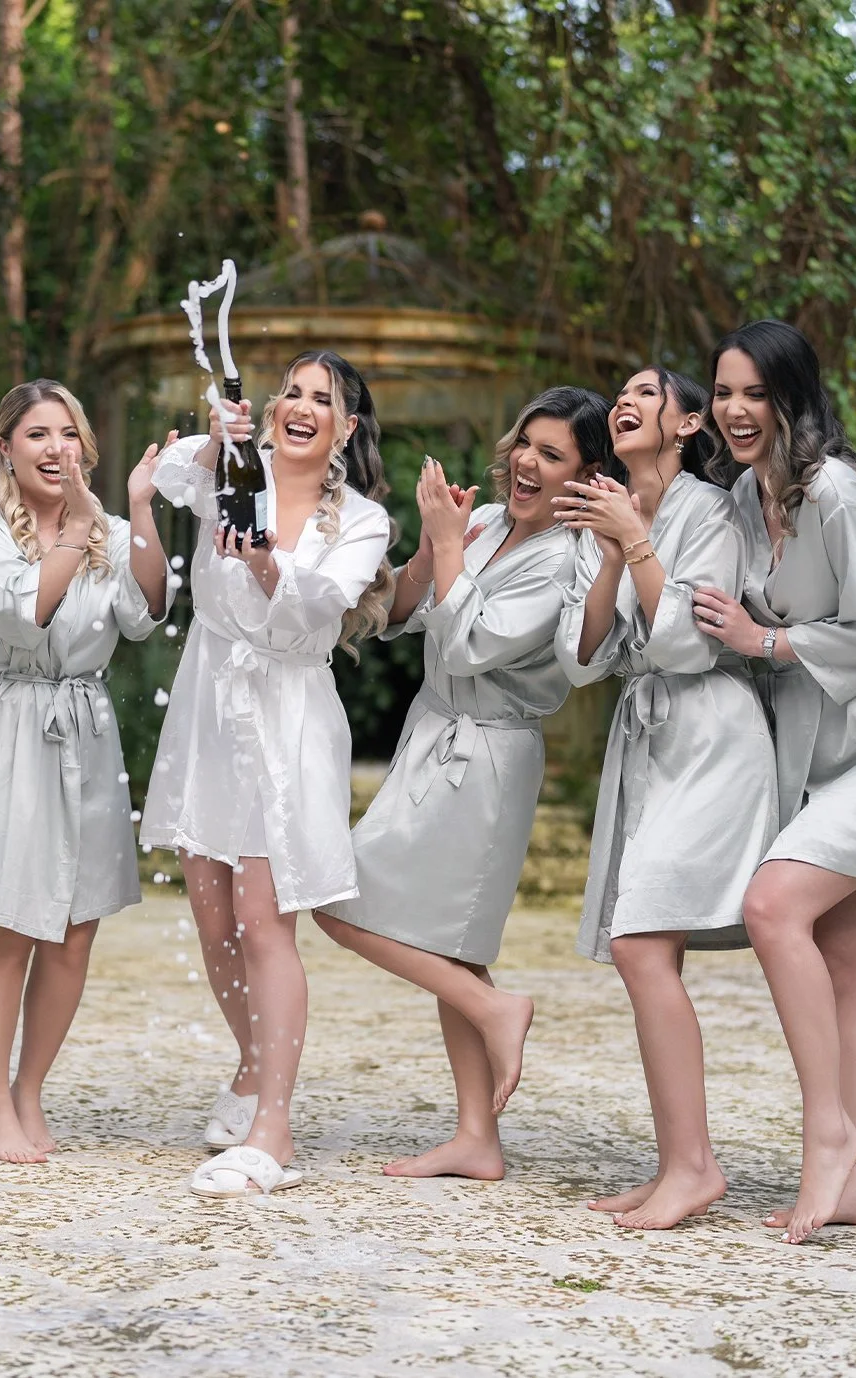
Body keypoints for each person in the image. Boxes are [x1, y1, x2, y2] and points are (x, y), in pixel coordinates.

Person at [689, 319, 856, 1244]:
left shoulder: (834, 490)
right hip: (822, 751)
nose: (735, 410)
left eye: (755, 394)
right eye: (723, 392)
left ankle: (830, 1139)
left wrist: (765, 640)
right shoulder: (734, 501)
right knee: (847, 972)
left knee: (771, 909)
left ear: (792, 400)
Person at [314, 387, 604, 1181]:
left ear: (583, 476)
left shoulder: (569, 559)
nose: (527, 463)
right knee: (454, 941)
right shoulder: (483, 524)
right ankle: (477, 1136)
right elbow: (407, 611)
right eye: (525, 444)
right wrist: (426, 549)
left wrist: (449, 549)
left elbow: (475, 646)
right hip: (432, 733)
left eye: (553, 455)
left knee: (337, 901)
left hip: (489, 754)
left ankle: (494, 1011)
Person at [142, 351, 393, 1197]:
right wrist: (216, 443)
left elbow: (324, 604)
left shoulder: (361, 521)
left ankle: (273, 1129)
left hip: (286, 714)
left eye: (322, 399)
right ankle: (251, 1065)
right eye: (291, 390)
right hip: (211, 702)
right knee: (212, 917)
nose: (301, 405)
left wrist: (260, 563)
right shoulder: (231, 478)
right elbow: (168, 473)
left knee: (263, 918)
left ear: (346, 428)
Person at [555, 366, 779, 1229]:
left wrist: (636, 545)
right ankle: (678, 1162)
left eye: (650, 392)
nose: (626, 399)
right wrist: (612, 552)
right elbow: (582, 660)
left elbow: (689, 646)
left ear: (688, 425)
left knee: (642, 939)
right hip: (646, 737)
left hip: (714, 736)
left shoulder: (717, 513)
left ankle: (694, 1165)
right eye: (621, 390)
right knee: (651, 951)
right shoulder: (604, 510)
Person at [0, 380, 169, 1163]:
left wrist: (136, 512)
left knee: (73, 931)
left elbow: (147, 610)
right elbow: (22, 611)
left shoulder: (99, 527)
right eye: (37, 434)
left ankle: (31, 1089)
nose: (55, 448)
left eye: (68, 434)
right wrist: (74, 530)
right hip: (5, 724)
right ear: (6, 448)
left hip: (84, 728)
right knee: (7, 925)